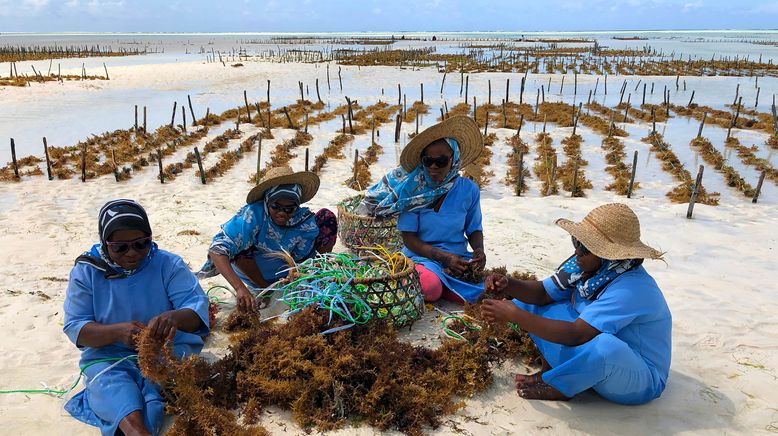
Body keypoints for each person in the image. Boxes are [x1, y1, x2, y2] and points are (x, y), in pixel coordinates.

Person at [481, 203, 671, 404]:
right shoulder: (588, 267)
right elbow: (543, 293)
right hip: (596, 351)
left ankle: (560, 385)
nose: (577, 252)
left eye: (586, 248)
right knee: (531, 304)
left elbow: (576, 334)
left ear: (609, 255)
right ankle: (553, 371)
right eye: (577, 241)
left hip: (638, 377)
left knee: (607, 348)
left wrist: (514, 315)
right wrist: (509, 284)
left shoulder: (632, 289)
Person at [63, 199, 210, 436]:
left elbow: (196, 312)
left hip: (166, 352)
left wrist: (174, 318)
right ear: (105, 243)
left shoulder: (168, 265)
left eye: (141, 244)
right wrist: (117, 333)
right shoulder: (88, 271)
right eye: (120, 247)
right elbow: (76, 328)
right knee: (120, 397)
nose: (133, 253)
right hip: (109, 356)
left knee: (153, 399)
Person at [358, 116, 486, 303]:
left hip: (457, 256)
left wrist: (479, 251)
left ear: (453, 159)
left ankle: (450, 285)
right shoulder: (413, 192)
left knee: (494, 285)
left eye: (441, 161)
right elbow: (409, 240)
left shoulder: (469, 190)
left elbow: (474, 228)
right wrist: (443, 258)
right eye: (428, 161)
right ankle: (449, 286)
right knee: (430, 287)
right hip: (421, 257)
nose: (433, 167)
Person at [198, 165, 336, 311]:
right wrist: (239, 288)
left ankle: (317, 275)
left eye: (289, 208)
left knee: (327, 218)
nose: (282, 213)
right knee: (240, 245)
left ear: (297, 206)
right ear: (267, 201)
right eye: (276, 206)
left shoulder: (303, 220)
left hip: (288, 270)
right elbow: (217, 250)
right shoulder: (253, 215)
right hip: (257, 271)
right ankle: (265, 289)